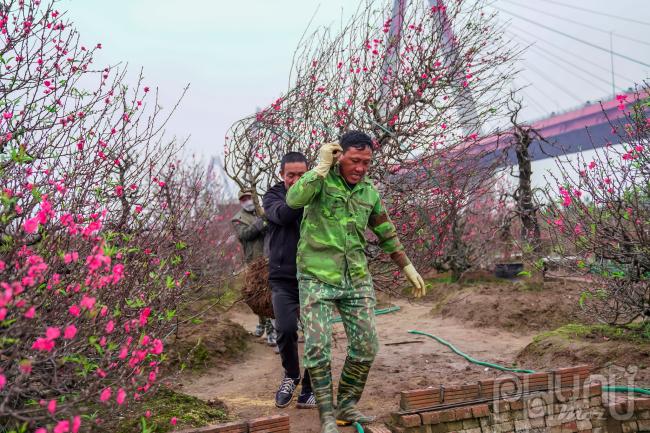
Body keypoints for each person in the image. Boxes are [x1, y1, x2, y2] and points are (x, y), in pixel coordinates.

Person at [286, 131, 426, 433]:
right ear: (340, 156)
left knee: (366, 345)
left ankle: (346, 406)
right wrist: (320, 168)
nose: (360, 167)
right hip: (316, 275)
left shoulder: (368, 192)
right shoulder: (320, 182)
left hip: (356, 278)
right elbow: (293, 199)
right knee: (318, 347)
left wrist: (407, 266)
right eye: (355, 160)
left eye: (366, 162)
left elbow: (386, 231)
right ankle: (325, 414)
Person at [263, 152, 316, 409]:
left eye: (301, 175)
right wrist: (305, 193)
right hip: (283, 278)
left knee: (318, 336)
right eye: (290, 175)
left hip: (314, 277)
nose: (295, 181)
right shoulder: (273, 196)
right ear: (282, 175)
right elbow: (283, 215)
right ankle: (291, 376)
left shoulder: (318, 193)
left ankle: (309, 387)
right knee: (285, 329)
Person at [231, 189, 276, 346]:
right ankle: (263, 323)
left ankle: (271, 331)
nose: (248, 201)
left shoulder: (263, 211)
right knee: (257, 295)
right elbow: (245, 234)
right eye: (244, 199)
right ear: (240, 201)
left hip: (269, 258)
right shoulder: (237, 219)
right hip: (254, 262)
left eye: (249, 198)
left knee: (269, 296)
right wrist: (260, 222)